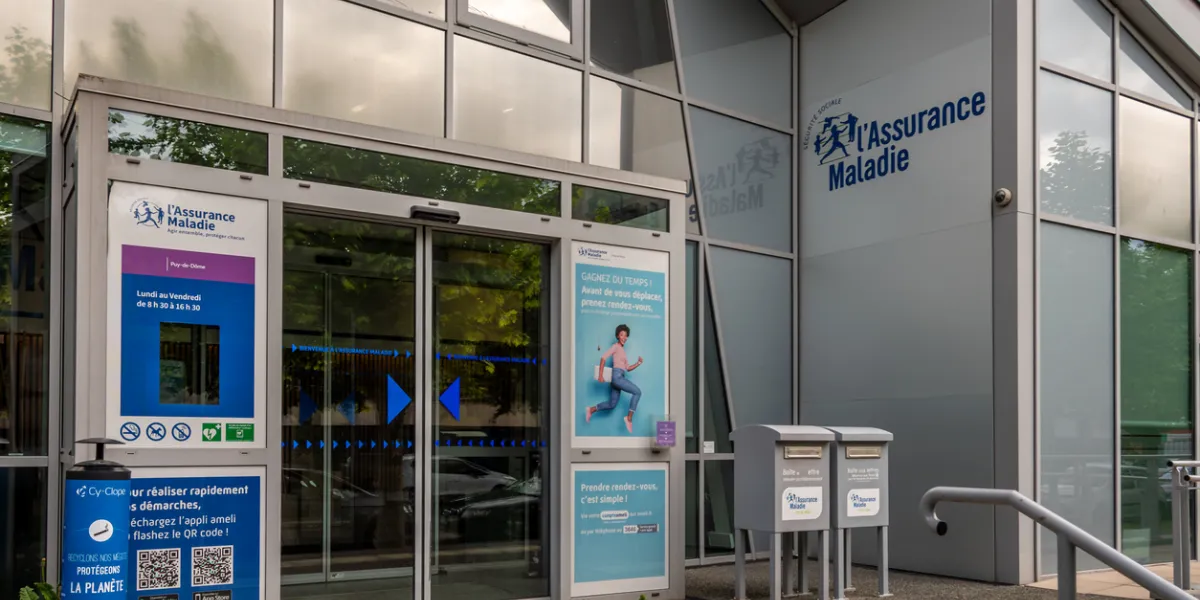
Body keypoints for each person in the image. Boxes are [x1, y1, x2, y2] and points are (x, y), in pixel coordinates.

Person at [587, 324, 644, 433]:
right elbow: (603, 358)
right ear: (618, 335)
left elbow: (628, 368)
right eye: (622, 335)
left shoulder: (623, 352)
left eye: (626, 335)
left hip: (619, 378)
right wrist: (600, 375)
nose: (624, 337)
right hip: (617, 377)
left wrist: (638, 363)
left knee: (612, 404)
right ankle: (629, 418)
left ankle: (591, 409)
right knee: (637, 392)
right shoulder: (615, 346)